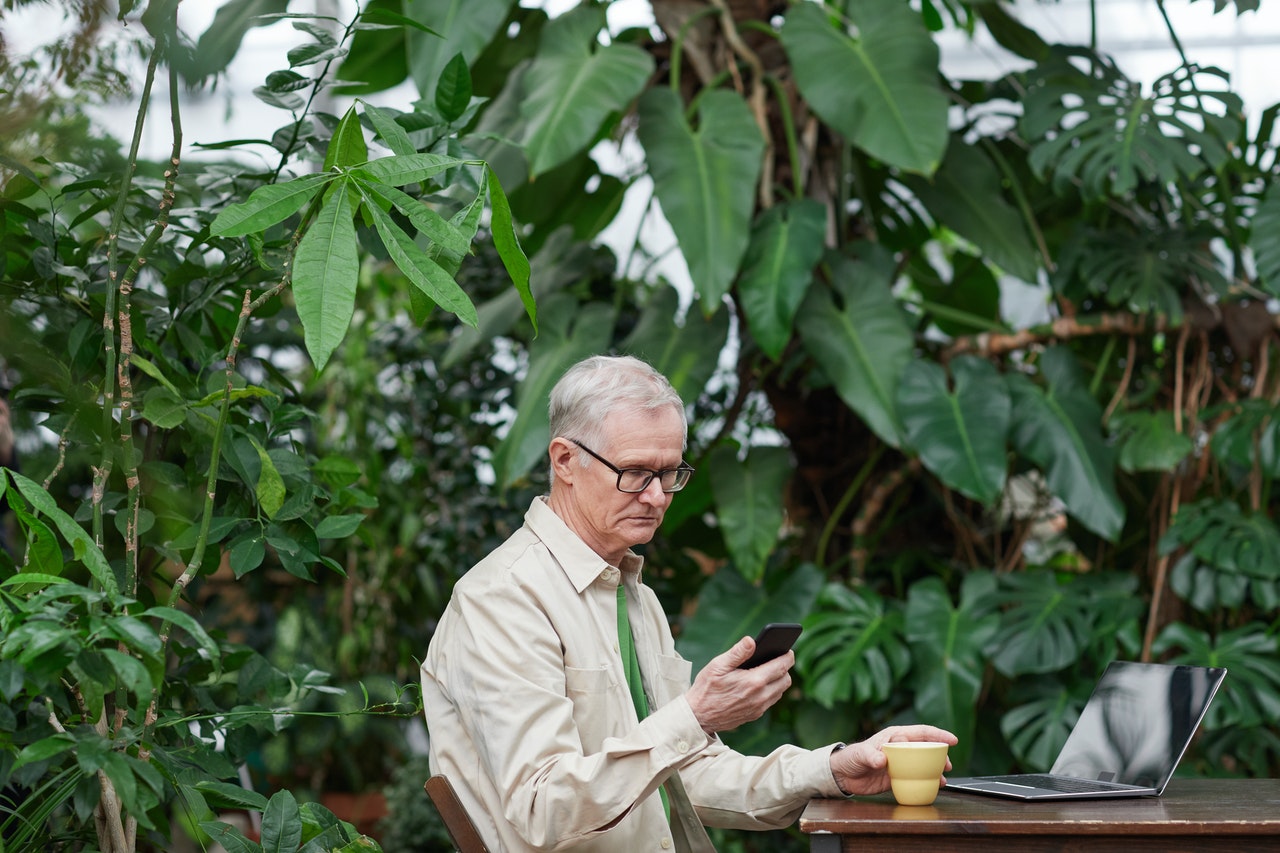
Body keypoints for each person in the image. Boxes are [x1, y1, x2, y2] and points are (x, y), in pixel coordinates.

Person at [420, 355, 956, 851]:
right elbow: (541, 808)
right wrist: (694, 715)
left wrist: (835, 768)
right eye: (635, 473)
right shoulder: (503, 598)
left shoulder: (635, 595)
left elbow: (686, 775)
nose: (656, 496)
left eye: (669, 473)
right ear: (565, 460)